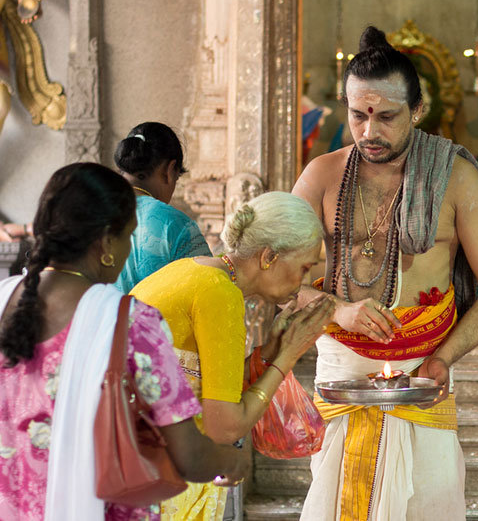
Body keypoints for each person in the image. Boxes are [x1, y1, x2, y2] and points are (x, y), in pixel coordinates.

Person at [293, 26, 478, 520]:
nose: (370, 132)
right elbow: (279, 280)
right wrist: (339, 310)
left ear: (417, 110)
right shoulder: (321, 175)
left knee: (429, 500)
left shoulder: (455, 178)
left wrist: (444, 357)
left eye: (387, 116)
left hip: (423, 368)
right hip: (343, 367)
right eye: (358, 115)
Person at [0, 163, 249, 521]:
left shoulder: (4, 300)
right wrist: (232, 460)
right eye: (129, 236)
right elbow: (190, 457)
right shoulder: (130, 322)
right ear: (106, 242)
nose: (128, 249)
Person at [131, 191, 335, 520]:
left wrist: (271, 351)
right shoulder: (220, 293)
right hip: (155, 472)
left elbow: (201, 382)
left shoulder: (196, 272)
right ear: (269, 257)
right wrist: (289, 355)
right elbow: (224, 428)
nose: (304, 282)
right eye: (304, 268)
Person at [113, 122, 212, 293]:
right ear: (169, 170)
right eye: (176, 178)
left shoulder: (91, 213)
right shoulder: (174, 224)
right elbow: (211, 287)